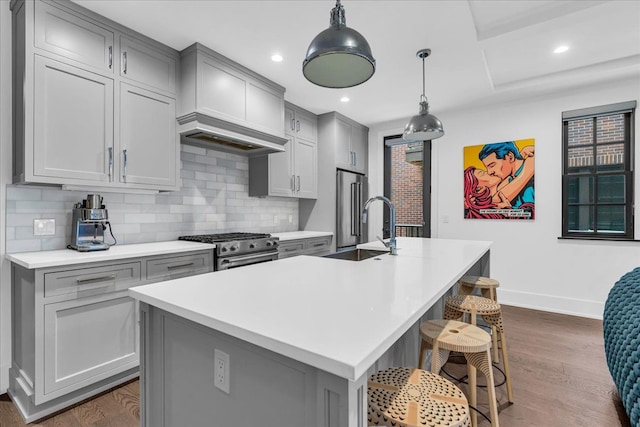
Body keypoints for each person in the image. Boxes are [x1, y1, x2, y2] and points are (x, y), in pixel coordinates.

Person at [464, 145, 535, 219]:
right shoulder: (496, 200)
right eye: (483, 173)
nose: (489, 172)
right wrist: (529, 166)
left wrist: (520, 156)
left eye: (491, 165)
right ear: (478, 189)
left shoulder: (508, 182)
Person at [479, 141, 534, 209]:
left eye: (492, 165)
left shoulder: (533, 179)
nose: (489, 172)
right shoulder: (509, 180)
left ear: (510, 157)